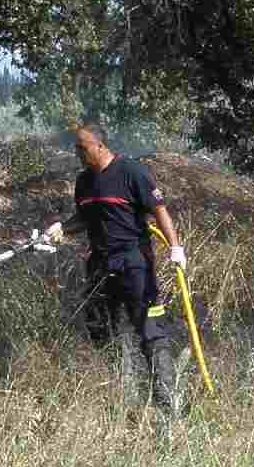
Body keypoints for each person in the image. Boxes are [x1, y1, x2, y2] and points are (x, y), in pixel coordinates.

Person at [70, 120, 188, 416]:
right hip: (100, 262)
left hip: (134, 262)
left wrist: (175, 248)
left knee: (149, 327)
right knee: (99, 324)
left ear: (100, 145)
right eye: (76, 148)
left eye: (82, 148)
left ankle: (167, 403)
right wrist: (59, 229)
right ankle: (126, 396)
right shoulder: (83, 181)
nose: (78, 153)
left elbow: (159, 211)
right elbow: (83, 218)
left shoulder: (131, 172)